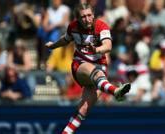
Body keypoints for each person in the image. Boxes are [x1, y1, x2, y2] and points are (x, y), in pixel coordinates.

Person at [45, 3, 131, 133]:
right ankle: (115, 91)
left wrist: (96, 49)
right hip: (80, 65)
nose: (87, 19)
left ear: (94, 15)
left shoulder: (101, 26)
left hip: (100, 69)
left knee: (83, 109)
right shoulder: (73, 27)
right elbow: (66, 39)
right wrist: (53, 46)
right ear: (78, 19)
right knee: (94, 72)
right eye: (83, 16)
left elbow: (108, 46)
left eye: (89, 15)